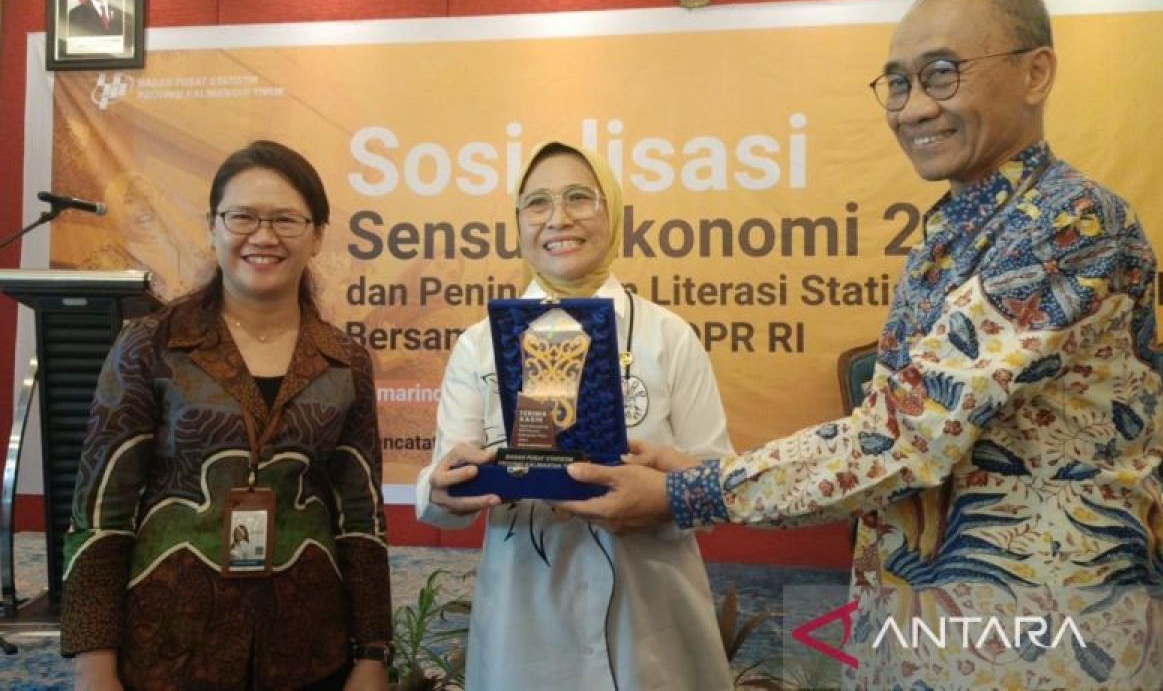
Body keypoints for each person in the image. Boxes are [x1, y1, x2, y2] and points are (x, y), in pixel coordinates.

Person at [563, 0, 1163, 688]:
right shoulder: (954, 230)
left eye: (942, 74)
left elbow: (908, 435)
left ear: (1035, 73)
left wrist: (687, 492)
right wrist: (695, 477)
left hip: (1042, 635)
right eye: (898, 83)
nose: (914, 108)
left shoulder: (1071, 223)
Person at [61, 141, 393, 690]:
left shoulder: (345, 360)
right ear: (213, 226)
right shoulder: (151, 346)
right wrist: (93, 664)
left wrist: (373, 655)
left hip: (308, 650)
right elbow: (101, 512)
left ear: (316, 235)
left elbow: (362, 518)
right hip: (169, 649)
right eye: (242, 216)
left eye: (285, 219)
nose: (263, 236)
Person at [416, 141, 735, 690]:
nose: (558, 218)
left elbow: (718, 483)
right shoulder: (479, 345)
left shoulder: (669, 336)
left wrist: (661, 495)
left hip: (652, 624)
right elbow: (442, 486)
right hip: (525, 627)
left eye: (580, 198)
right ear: (518, 222)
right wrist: (444, 487)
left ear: (613, 212)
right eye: (537, 202)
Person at [80, 170, 207, 300]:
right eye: (131, 201)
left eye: (147, 198)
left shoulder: (183, 248)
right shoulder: (102, 261)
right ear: (115, 208)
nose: (144, 206)